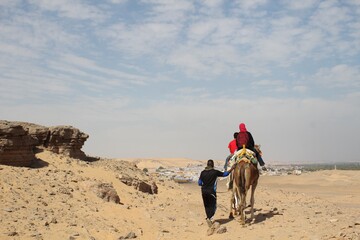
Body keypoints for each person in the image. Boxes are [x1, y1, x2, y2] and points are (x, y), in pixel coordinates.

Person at [198, 159, 235, 227]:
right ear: (213, 165)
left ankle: (208, 217)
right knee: (213, 206)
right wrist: (232, 168)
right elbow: (225, 174)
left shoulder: (202, 172)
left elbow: (199, 183)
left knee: (207, 206)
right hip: (211, 192)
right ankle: (210, 218)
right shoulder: (215, 172)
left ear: (207, 165)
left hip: (203, 191)